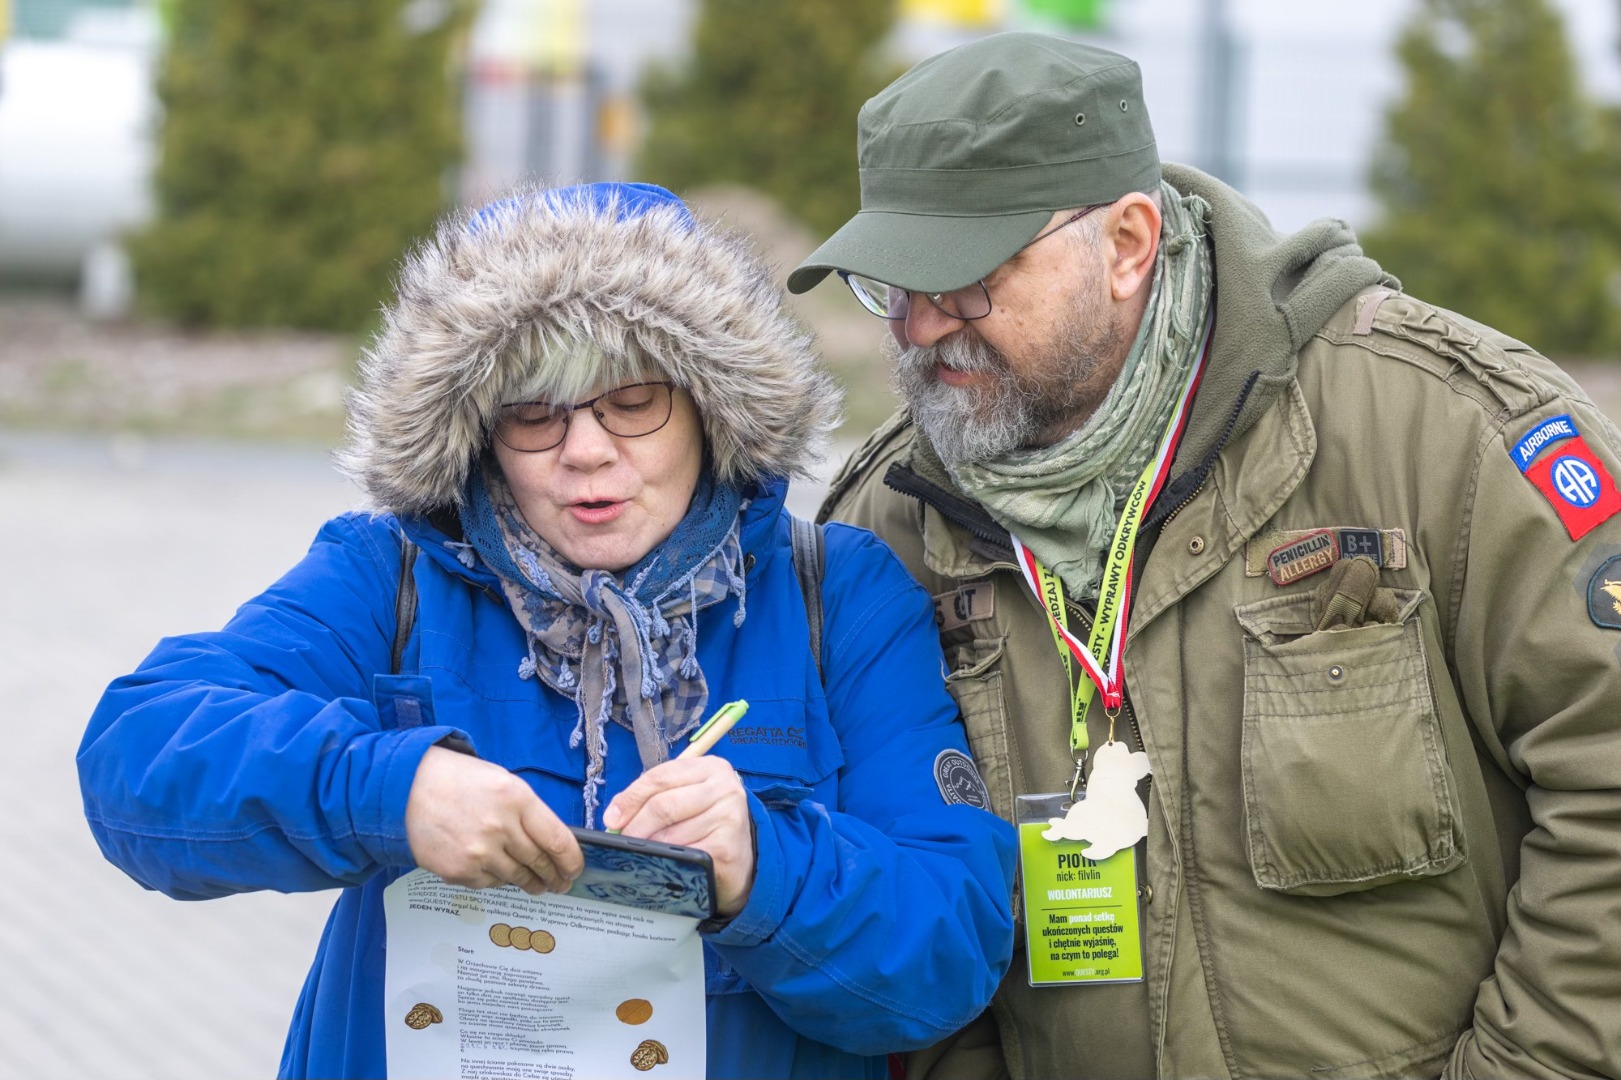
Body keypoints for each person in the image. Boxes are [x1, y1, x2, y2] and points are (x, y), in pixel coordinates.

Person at [791, 31, 1621, 1080]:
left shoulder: (1442, 430)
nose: (917, 330)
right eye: (889, 286)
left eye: (961, 282)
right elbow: (897, 906)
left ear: (1129, 244)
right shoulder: (886, 527)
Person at [77, 182, 1016, 1080]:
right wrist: (389, 788)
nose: (587, 449)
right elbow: (139, 756)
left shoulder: (834, 596)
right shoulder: (390, 577)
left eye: (632, 400)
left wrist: (760, 867)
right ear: (478, 432)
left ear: (709, 407)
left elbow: (949, 955)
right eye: (534, 413)